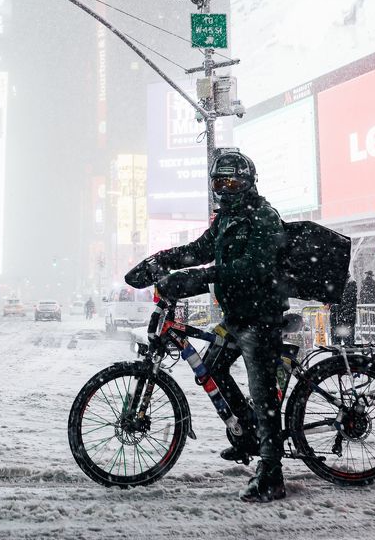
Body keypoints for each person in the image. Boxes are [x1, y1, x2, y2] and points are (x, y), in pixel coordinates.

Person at [128, 150, 289, 503]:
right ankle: (247, 433)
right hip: (236, 317)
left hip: (261, 317)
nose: (227, 188)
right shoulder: (225, 220)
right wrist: (161, 259)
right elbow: (199, 249)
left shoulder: (263, 217)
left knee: (264, 397)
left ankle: (272, 474)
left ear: (249, 183)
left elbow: (252, 269)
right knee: (212, 367)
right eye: (220, 182)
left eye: (233, 181)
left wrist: (198, 279)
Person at [329, 275, 358, 345]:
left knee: (346, 342)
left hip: (344, 317)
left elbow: (349, 300)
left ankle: (347, 354)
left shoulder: (350, 283)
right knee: (338, 343)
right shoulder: (336, 282)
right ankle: (343, 354)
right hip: (339, 317)